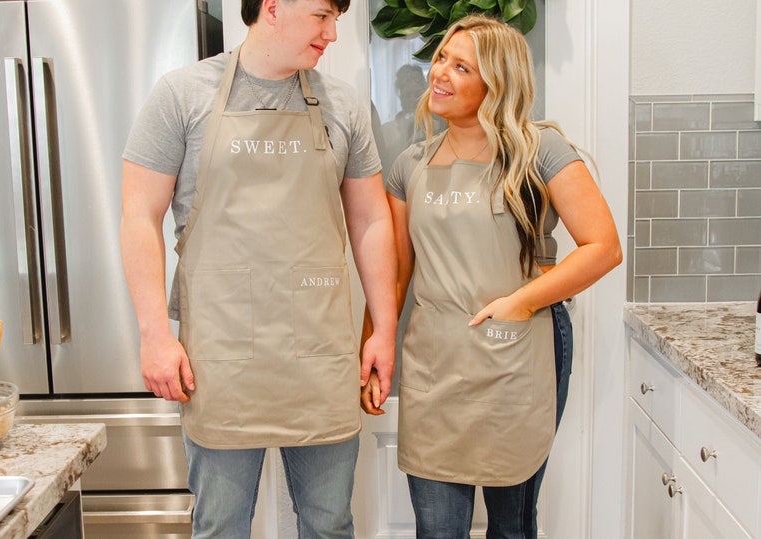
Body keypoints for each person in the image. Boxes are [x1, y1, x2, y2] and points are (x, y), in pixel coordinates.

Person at [119, 0, 397, 536]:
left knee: (329, 524)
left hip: (320, 353)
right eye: (322, 15)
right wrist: (154, 335)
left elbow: (371, 222)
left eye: (336, 18)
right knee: (220, 526)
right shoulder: (181, 95)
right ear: (272, 7)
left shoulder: (343, 104)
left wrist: (382, 329)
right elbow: (139, 217)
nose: (332, 33)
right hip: (219, 359)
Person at [360, 14, 622, 538]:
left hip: (519, 350)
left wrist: (522, 302)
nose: (440, 73)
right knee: (437, 529)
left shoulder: (540, 151)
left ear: (496, 83)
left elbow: (603, 248)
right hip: (436, 358)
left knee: (512, 527)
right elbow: (395, 272)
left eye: (462, 67)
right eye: (441, 59)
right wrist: (375, 341)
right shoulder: (409, 165)